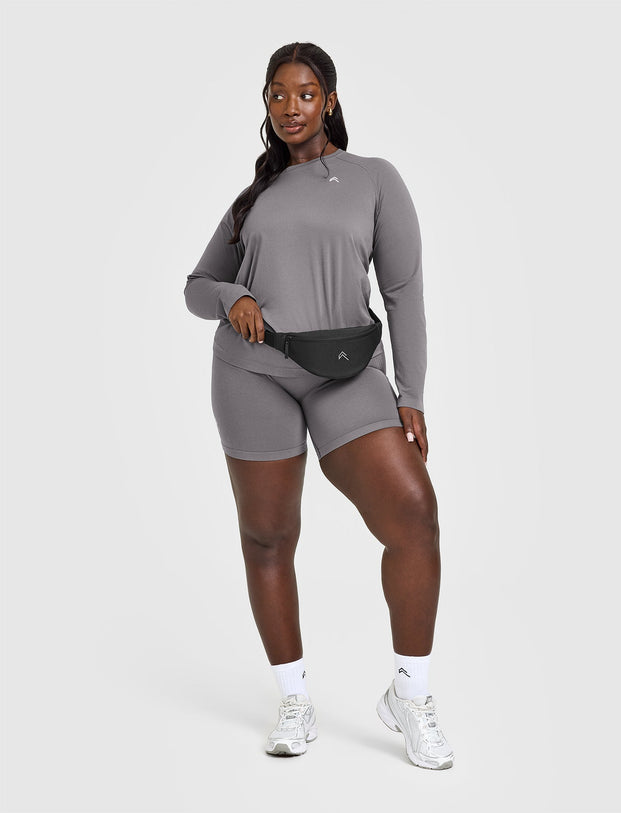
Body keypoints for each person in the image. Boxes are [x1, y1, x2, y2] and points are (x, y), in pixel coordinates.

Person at [183, 41, 454, 771]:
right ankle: (294, 698)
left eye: (305, 94)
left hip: (347, 373)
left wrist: (411, 393)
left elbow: (403, 293)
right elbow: (196, 287)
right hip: (254, 374)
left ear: (329, 101)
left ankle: (410, 694)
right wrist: (232, 295)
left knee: (414, 514)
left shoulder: (374, 179)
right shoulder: (254, 198)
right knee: (268, 537)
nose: (290, 107)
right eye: (277, 94)